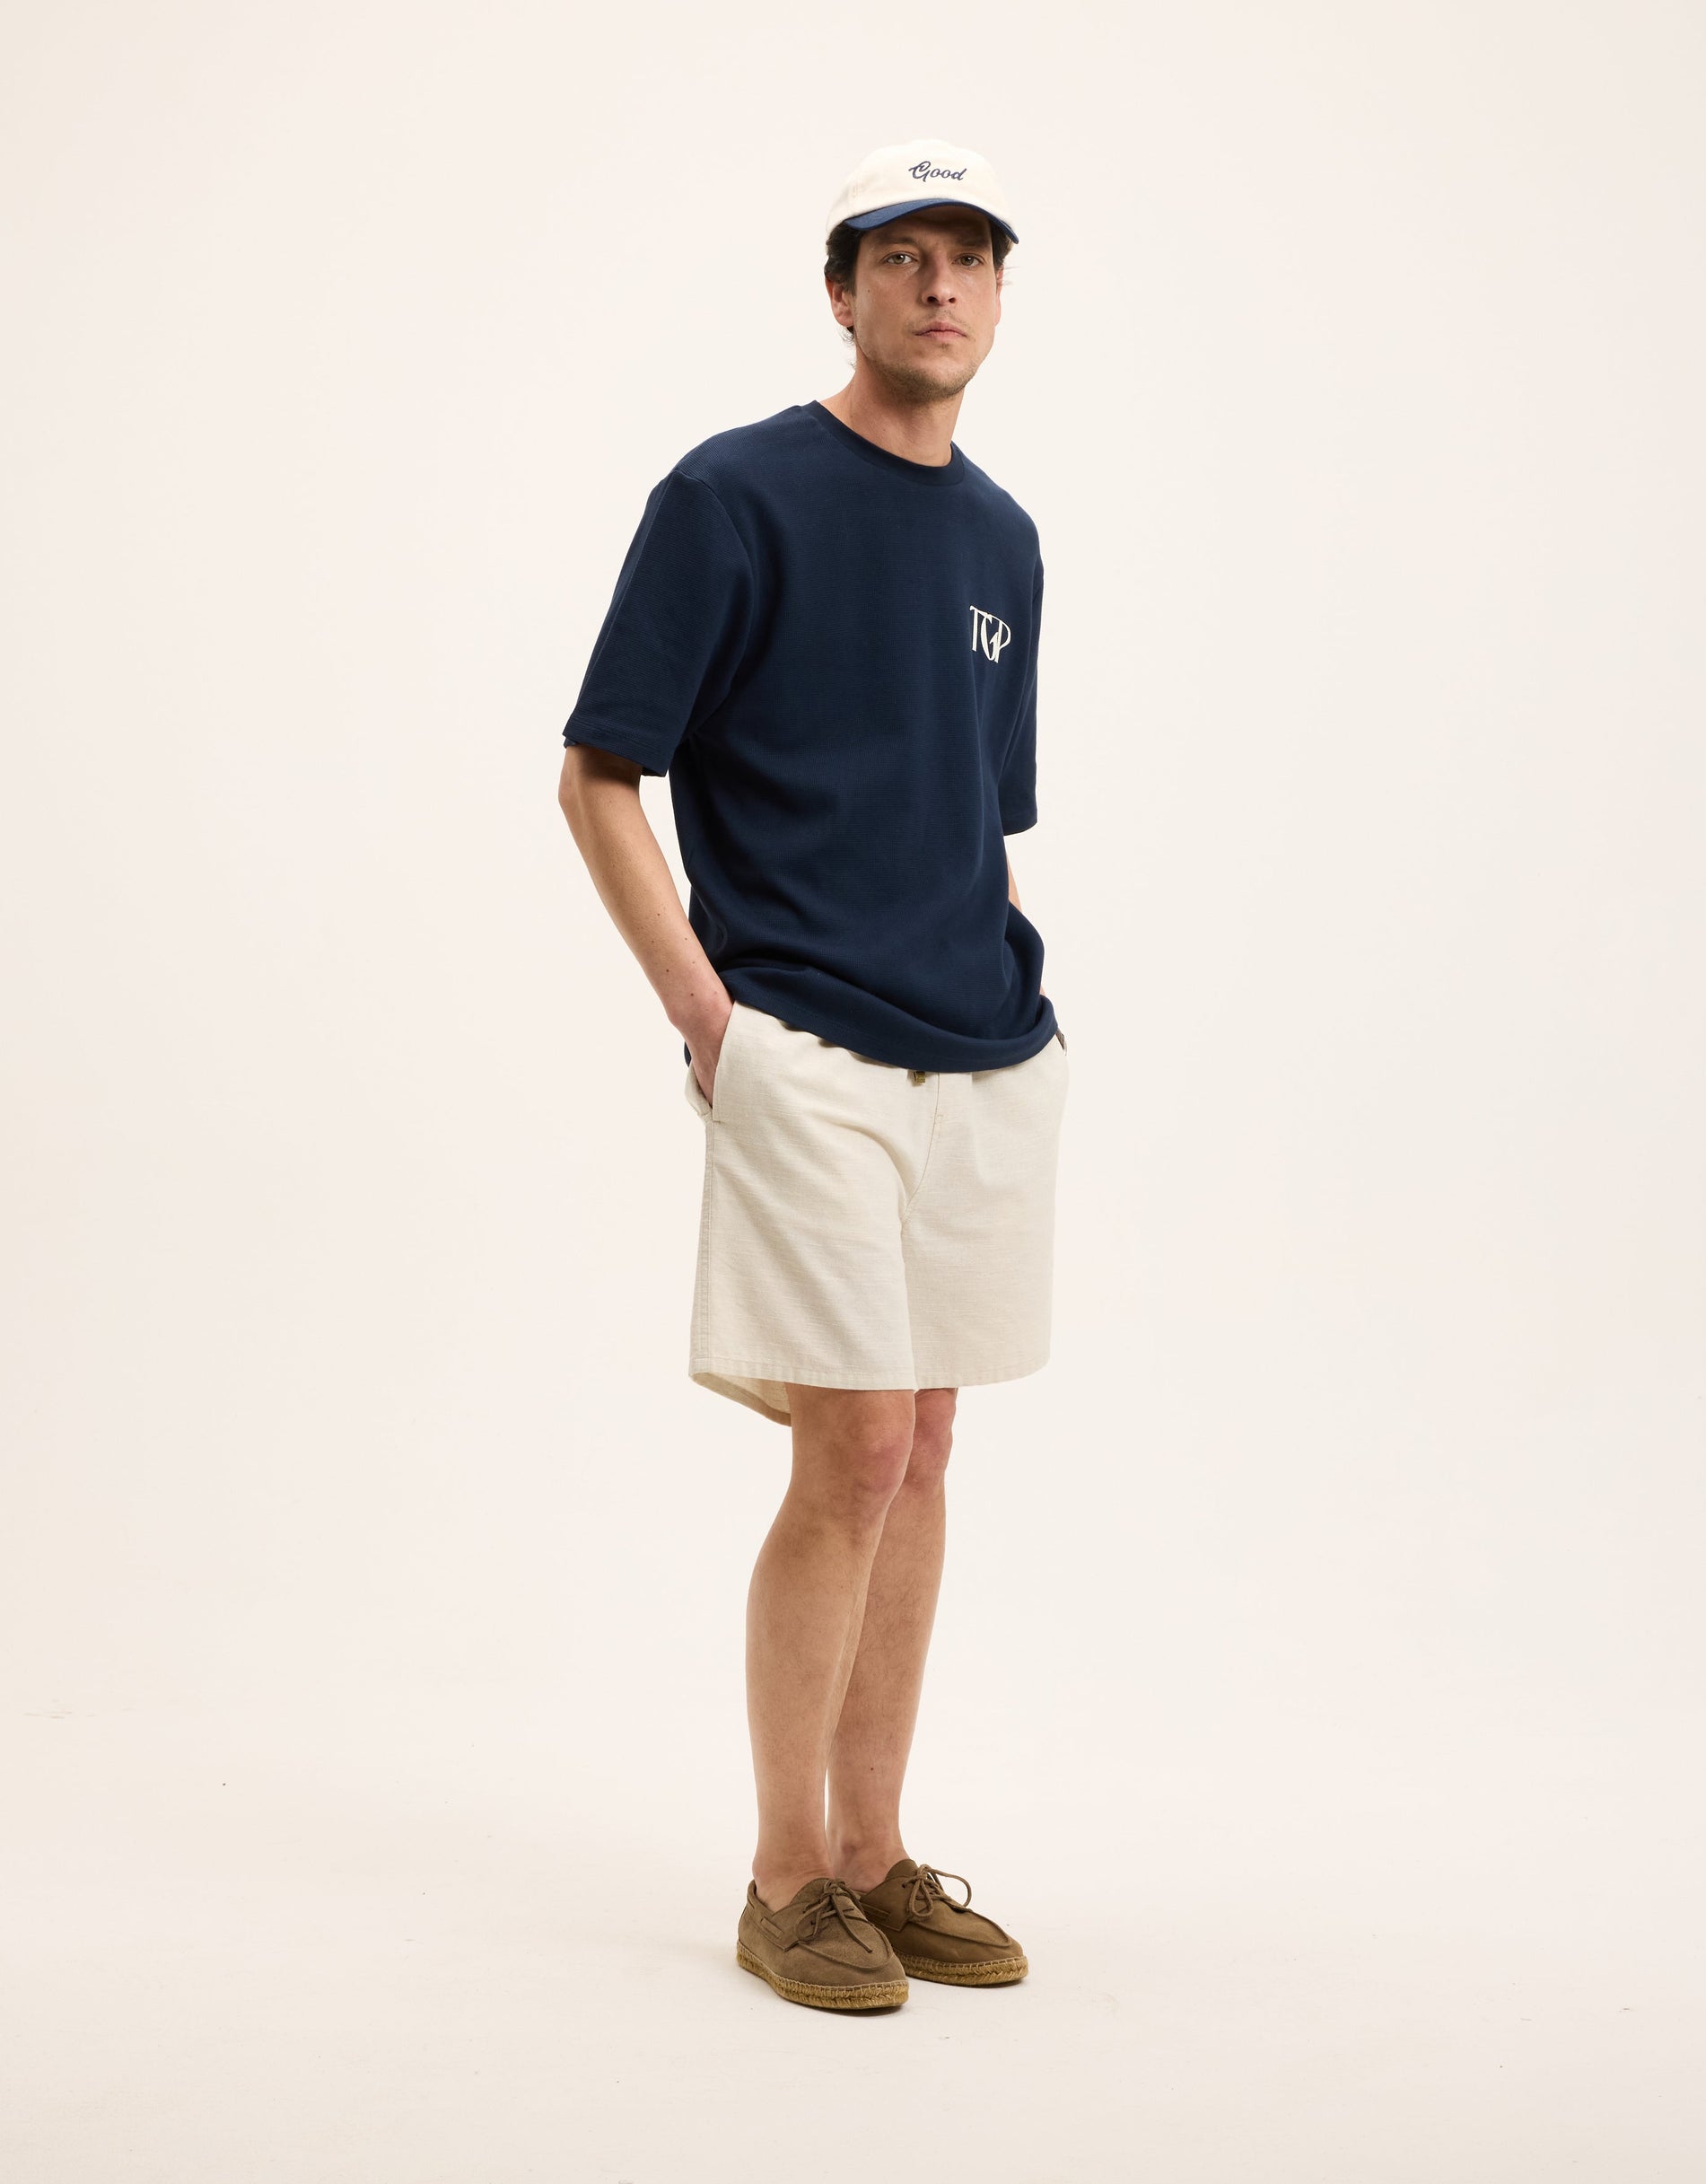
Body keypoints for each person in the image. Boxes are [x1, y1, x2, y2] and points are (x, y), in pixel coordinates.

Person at [556, 137, 1068, 2013]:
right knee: (846, 1444)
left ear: (998, 298)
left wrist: (1015, 999)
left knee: (924, 1445)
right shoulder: (732, 493)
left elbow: (975, 816)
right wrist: (708, 1014)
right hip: (803, 1038)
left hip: (984, 1052)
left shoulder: (1004, 539)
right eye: (900, 255)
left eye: (969, 258)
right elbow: (598, 771)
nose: (939, 286)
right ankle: (785, 1877)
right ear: (840, 289)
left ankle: (872, 1853)